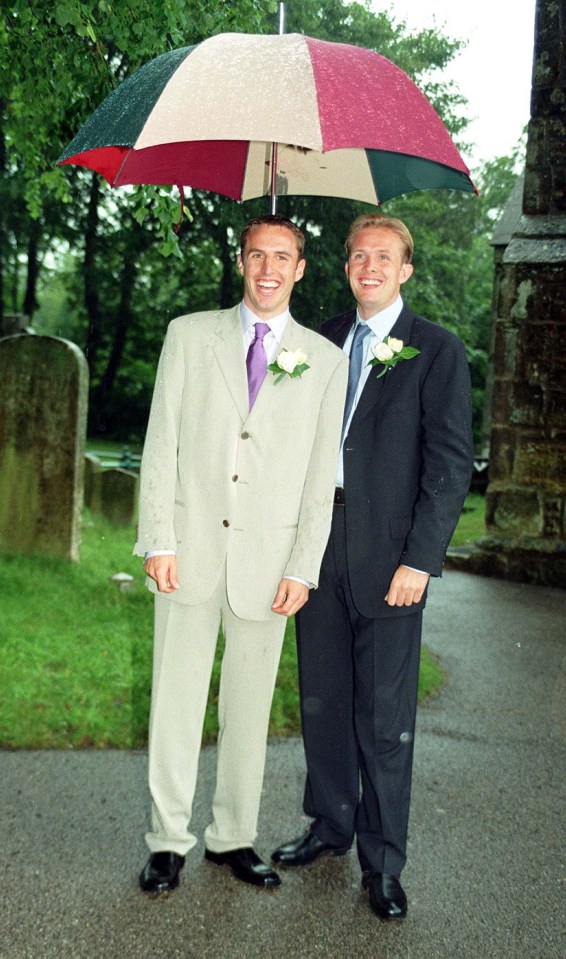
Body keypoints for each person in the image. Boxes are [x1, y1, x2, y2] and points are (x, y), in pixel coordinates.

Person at [134, 214, 348, 895]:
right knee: (175, 699)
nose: (268, 269)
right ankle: (168, 840)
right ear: (241, 261)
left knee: (249, 707)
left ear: (301, 267)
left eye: (281, 256)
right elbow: (160, 442)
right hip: (188, 550)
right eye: (257, 254)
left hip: (269, 564)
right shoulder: (189, 336)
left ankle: (232, 835)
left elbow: (322, 477)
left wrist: (302, 565)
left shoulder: (326, 359)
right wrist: (158, 538)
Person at [272, 212, 474, 920]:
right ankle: (328, 826)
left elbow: (450, 468)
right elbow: (278, 416)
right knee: (323, 699)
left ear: (406, 268)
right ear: (346, 267)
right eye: (358, 255)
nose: (369, 265)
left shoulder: (434, 351)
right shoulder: (318, 340)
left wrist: (420, 558)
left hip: (392, 560)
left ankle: (382, 859)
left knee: (385, 718)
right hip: (316, 547)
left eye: (383, 256)